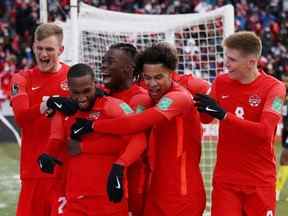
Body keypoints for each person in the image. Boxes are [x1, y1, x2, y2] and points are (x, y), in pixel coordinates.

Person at [75, 43, 206, 216]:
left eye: (158, 77)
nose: (152, 84)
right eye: (148, 77)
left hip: (183, 192)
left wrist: (93, 126)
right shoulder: (146, 99)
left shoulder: (178, 98)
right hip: (155, 190)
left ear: (171, 74)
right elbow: (136, 132)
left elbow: (134, 123)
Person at [193, 31, 286, 216]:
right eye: (225, 57)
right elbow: (205, 118)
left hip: (259, 182)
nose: (226, 63)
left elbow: (265, 132)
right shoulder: (221, 81)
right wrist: (197, 99)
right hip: (226, 181)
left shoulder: (275, 88)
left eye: (232, 59)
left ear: (251, 62)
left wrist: (224, 115)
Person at [38, 63, 147, 216]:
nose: (82, 97)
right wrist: (47, 155)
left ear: (94, 84)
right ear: (68, 88)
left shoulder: (112, 107)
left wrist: (119, 167)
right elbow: (56, 139)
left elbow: (139, 139)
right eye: (76, 92)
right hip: (74, 198)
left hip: (108, 199)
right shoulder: (62, 110)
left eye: (87, 91)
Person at [10, 23, 72, 216]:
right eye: (39, 48)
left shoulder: (73, 78)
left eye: (49, 49)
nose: (43, 54)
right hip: (33, 173)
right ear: (33, 46)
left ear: (61, 50)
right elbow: (21, 117)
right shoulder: (21, 79)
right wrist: (45, 106)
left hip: (64, 174)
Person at [101, 43, 152, 216]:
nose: (103, 65)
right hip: (102, 177)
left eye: (110, 61)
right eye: (103, 60)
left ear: (128, 69)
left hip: (132, 178)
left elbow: (137, 138)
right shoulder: (100, 94)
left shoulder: (141, 99)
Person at [276, 72, 288, 201]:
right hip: (285, 132)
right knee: (283, 160)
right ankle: (277, 190)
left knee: (285, 157)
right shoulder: (281, 98)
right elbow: (275, 109)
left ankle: (277, 190)